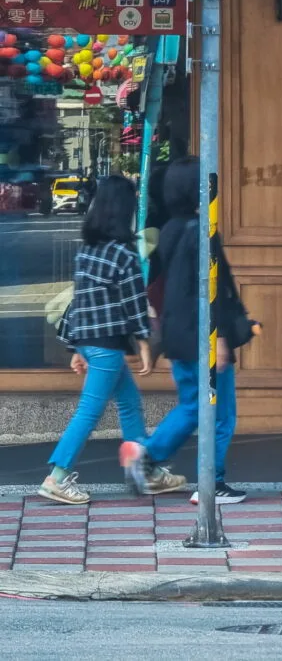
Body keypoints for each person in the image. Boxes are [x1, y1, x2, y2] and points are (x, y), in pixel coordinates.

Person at [119, 156, 247, 504]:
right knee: (220, 414)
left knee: (193, 405)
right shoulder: (203, 231)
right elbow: (211, 289)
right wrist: (220, 339)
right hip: (202, 334)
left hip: (178, 331)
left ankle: (145, 455)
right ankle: (212, 482)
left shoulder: (172, 229)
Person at [39, 175, 153, 505]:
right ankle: (57, 477)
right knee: (89, 411)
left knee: (129, 402)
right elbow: (134, 302)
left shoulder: (88, 251)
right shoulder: (123, 253)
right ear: (125, 210)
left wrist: (74, 346)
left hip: (92, 342)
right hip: (107, 346)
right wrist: (144, 342)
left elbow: (79, 301)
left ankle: (140, 469)